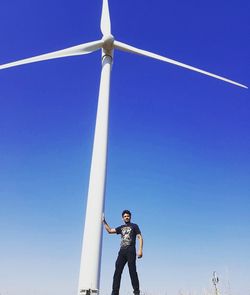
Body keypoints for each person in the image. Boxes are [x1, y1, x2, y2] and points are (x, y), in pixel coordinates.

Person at [103, 210, 143, 295]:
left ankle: (136, 292)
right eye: (125, 216)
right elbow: (110, 231)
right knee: (117, 271)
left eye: (128, 216)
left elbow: (140, 237)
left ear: (130, 217)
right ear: (122, 218)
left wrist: (140, 250)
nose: (126, 217)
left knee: (132, 271)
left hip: (131, 250)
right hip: (122, 251)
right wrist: (104, 221)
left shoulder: (134, 226)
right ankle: (115, 292)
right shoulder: (121, 228)